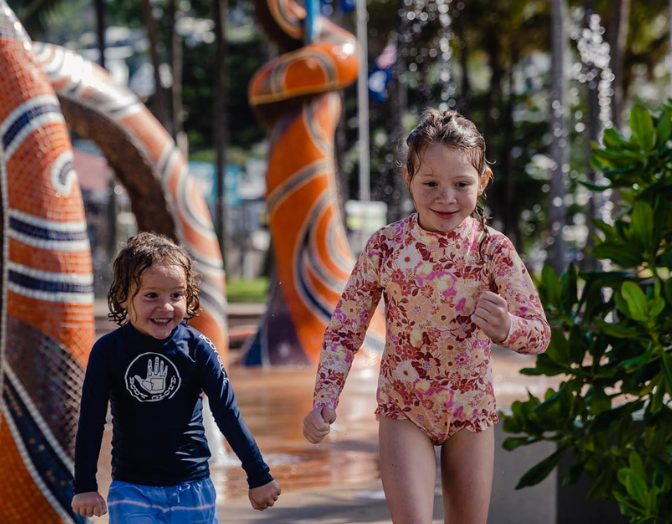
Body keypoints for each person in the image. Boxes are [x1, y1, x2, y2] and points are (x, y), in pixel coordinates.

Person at [302, 109, 551, 524]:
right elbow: (345, 330)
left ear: (483, 183)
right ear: (407, 179)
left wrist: (509, 329)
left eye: (462, 184)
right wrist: (325, 400)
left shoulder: (493, 250)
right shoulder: (385, 247)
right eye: (430, 183)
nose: (446, 197)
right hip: (405, 410)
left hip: (470, 411)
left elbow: (540, 334)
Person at [73, 232, 282, 522]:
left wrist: (259, 475)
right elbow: (91, 420)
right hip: (132, 489)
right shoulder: (108, 351)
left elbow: (227, 413)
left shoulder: (198, 348)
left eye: (176, 295)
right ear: (122, 298)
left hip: (192, 489)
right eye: (151, 296)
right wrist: (84, 485)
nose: (166, 306)